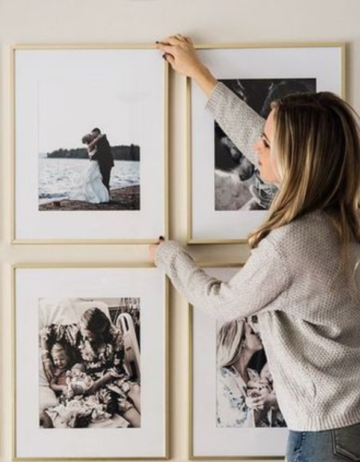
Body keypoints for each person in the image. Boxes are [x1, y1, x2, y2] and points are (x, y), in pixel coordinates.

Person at [151, 35, 360, 461]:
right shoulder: (336, 211)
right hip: (345, 422)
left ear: (294, 158)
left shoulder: (292, 243)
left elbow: (224, 302)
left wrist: (169, 257)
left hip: (325, 435)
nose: (255, 148)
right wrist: (201, 76)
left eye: (267, 143)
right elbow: (257, 137)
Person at [40, 307, 141, 428]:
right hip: (92, 378)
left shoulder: (115, 335)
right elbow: (46, 332)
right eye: (84, 335)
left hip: (112, 375)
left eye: (89, 337)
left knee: (136, 390)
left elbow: (117, 368)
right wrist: (45, 357)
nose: (84, 339)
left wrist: (98, 383)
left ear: (100, 335)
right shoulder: (75, 331)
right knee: (124, 406)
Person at [216, 319, 279, 428]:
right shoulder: (222, 376)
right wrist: (267, 402)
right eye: (252, 332)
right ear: (241, 342)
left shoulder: (253, 374)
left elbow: (268, 419)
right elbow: (237, 422)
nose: (258, 333)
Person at [69, 133, 110, 204]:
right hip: (94, 164)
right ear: (89, 139)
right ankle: (97, 196)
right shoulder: (90, 145)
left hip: (95, 164)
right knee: (92, 180)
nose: (92, 137)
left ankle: (99, 196)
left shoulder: (92, 145)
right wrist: (100, 135)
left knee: (95, 180)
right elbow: (98, 139)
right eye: (91, 136)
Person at [89, 128, 115, 193]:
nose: (93, 135)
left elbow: (101, 152)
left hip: (105, 163)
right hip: (106, 162)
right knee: (105, 179)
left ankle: (106, 195)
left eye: (93, 133)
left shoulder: (101, 140)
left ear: (97, 132)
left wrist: (93, 157)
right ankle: (106, 194)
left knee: (105, 179)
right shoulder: (102, 139)